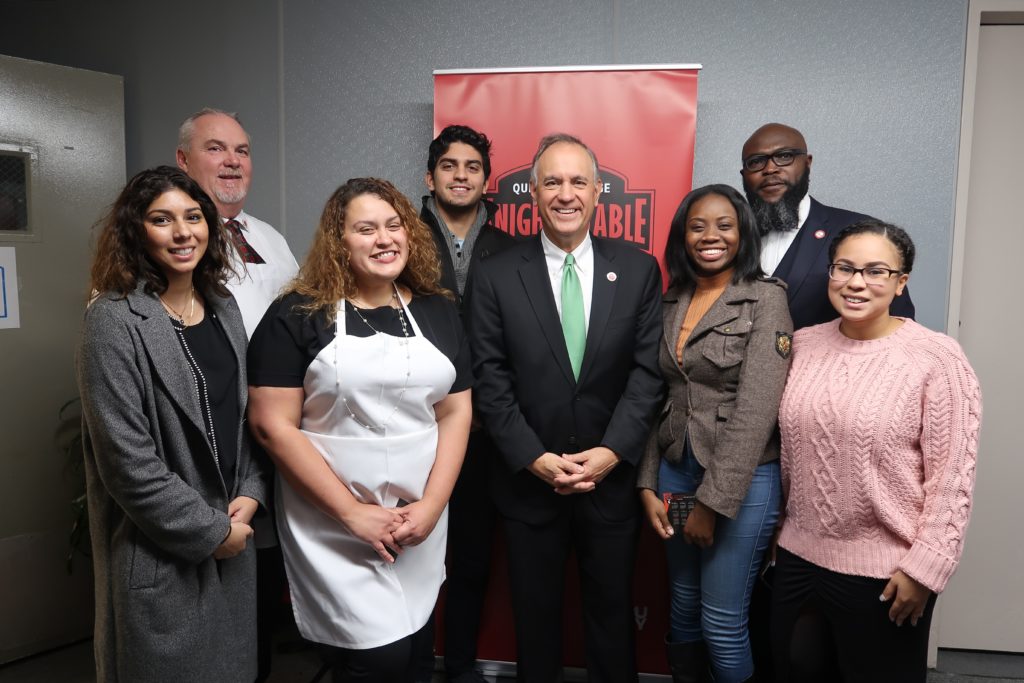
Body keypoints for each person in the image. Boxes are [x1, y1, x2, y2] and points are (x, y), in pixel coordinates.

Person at [246, 177, 473, 682]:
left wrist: (432, 507)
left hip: (418, 521)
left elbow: (456, 412)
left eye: (394, 225)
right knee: (376, 660)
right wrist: (352, 514)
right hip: (333, 522)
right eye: (365, 229)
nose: (384, 238)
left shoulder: (437, 310)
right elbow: (270, 425)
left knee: (415, 650)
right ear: (338, 241)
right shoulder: (298, 314)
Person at [467, 133, 663, 682]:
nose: (565, 193)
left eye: (578, 181)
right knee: (534, 623)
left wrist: (610, 454)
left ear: (599, 192)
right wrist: (534, 457)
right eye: (552, 181)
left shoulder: (639, 269)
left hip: (611, 482)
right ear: (533, 192)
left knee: (611, 622)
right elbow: (489, 377)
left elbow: (647, 375)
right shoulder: (497, 272)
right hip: (531, 484)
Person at [771, 220, 981, 683]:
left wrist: (925, 570)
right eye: (844, 268)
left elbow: (951, 478)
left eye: (876, 271)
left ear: (901, 281)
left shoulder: (937, 359)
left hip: (886, 574)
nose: (857, 282)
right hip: (797, 559)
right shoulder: (803, 346)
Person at [77, 166, 265, 682]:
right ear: (137, 231)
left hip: (232, 534)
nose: (183, 232)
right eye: (162, 220)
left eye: (193, 217)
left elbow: (243, 416)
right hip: (161, 553)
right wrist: (212, 531)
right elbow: (127, 466)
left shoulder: (224, 308)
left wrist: (251, 489)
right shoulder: (113, 321)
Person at [636, 185, 792, 683]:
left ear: (743, 232)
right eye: (697, 225)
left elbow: (756, 411)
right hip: (675, 469)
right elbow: (657, 396)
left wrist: (711, 503)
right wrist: (645, 482)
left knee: (722, 622)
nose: (710, 236)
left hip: (741, 482)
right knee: (681, 605)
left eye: (724, 225)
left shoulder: (765, 299)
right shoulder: (671, 298)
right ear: (682, 235)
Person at [176, 107, 298, 680]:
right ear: (183, 160)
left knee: (260, 580)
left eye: (242, 151)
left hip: (270, 442)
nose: (232, 162)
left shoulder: (268, 239)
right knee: (200, 594)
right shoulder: (169, 240)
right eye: (216, 149)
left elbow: (301, 325)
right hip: (202, 445)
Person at [420, 124, 515, 682]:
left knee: (473, 554)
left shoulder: (511, 248)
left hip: (484, 428)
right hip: (412, 424)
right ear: (431, 177)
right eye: (450, 166)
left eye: (472, 167)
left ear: (485, 180)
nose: (461, 175)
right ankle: (407, 661)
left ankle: (457, 665)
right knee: (406, 544)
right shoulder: (401, 236)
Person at [739, 123, 915, 330]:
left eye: (785, 156)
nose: (770, 168)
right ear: (744, 175)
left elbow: (898, 325)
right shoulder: (729, 238)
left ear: (807, 162)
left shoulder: (859, 232)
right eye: (756, 162)